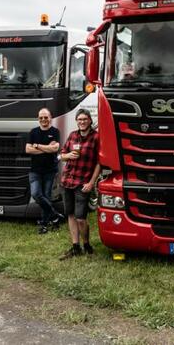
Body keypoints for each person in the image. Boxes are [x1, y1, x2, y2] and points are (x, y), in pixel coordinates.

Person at [59, 108, 100, 259]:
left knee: (81, 217)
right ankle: (75, 246)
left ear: (89, 120)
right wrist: (67, 155)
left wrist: (91, 182)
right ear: (76, 121)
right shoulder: (72, 135)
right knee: (70, 214)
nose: (82, 122)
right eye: (79, 119)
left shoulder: (96, 138)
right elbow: (62, 155)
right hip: (67, 180)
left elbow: (99, 163)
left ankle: (87, 244)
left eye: (84, 119)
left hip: (83, 182)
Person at [26, 107, 63, 234]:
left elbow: (55, 149)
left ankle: (44, 224)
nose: (43, 119)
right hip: (35, 170)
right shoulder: (33, 132)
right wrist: (46, 148)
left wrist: (37, 146)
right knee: (36, 194)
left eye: (46, 117)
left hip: (50, 170)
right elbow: (27, 150)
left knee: (46, 196)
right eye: (41, 117)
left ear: (50, 118)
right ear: (38, 119)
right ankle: (55, 216)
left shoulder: (55, 131)